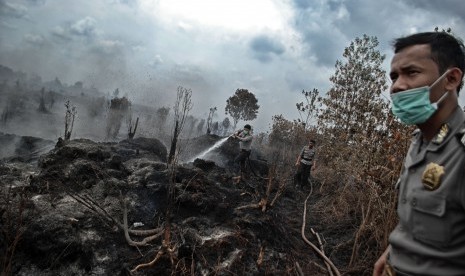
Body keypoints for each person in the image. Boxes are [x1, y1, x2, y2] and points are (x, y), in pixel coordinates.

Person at [373, 32, 465, 276]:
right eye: (394, 76)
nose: (397, 86)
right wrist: (393, 252)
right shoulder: (419, 142)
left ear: (451, 79)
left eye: (411, 73)